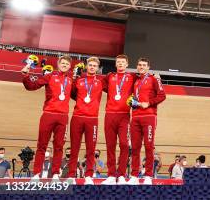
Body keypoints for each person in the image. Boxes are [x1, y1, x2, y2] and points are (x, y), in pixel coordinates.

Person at [21, 55, 73, 182]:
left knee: (59, 146)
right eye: (63, 63)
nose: (64, 65)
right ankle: (36, 174)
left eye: (67, 64)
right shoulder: (50, 76)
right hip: (48, 114)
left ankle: (55, 173)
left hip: (63, 117)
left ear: (70, 66)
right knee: (42, 145)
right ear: (58, 64)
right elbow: (32, 86)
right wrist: (26, 76)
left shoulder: (72, 80)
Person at [128, 58, 166, 185]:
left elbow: (162, 96)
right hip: (135, 116)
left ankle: (148, 175)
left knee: (149, 147)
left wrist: (148, 103)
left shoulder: (154, 79)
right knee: (135, 147)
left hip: (149, 116)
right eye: (139, 65)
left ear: (148, 67)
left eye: (144, 65)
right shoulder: (135, 80)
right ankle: (134, 175)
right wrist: (132, 103)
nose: (141, 67)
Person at [68, 57, 104, 185]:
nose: (92, 67)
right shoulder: (79, 80)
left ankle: (89, 175)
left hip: (92, 119)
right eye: (90, 65)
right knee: (74, 148)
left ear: (98, 68)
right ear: (86, 66)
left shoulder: (101, 82)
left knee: (91, 149)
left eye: (95, 65)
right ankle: (71, 175)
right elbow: (71, 94)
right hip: (77, 117)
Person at [102, 54, 137, 185]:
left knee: (124, 144)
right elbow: (100, 86)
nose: (120, 64)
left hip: (124, 116)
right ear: (116, 64)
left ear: (127, 64)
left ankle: (121, 174)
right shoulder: (109, 76)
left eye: (123, 62)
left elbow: (142, 83)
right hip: (110, 114)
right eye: (118, 62)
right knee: (110, 145)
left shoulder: (131, 77)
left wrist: (155, 77)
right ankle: (111, 174)